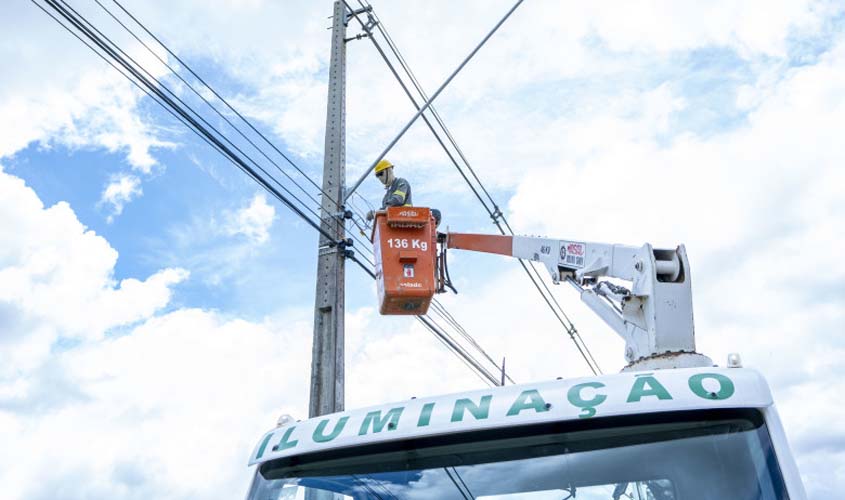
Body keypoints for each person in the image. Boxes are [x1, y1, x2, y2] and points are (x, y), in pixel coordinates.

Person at [366, 159, 440, 225]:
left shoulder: (401, 183)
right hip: (393, 225)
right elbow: (384, 211)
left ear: (389, 170)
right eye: (377, 176)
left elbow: (398, 199)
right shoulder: (386, 197)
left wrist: (377, 212)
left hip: (406, 221)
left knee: (436, 213)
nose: (379, 178)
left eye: (380, 174)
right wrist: (375, 214)